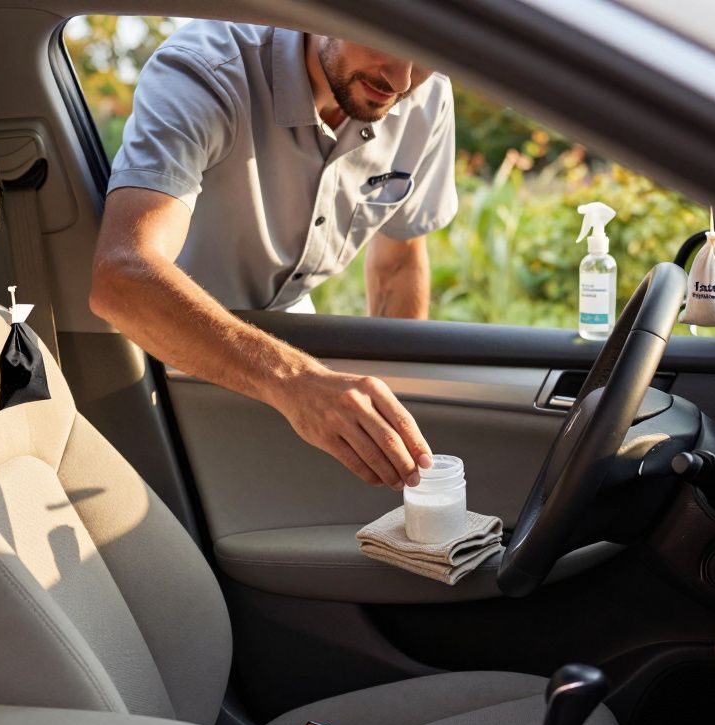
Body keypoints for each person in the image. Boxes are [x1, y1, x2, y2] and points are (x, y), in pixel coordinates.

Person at [89, 21, 458, 491]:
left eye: (426, 56)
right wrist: (296, 383)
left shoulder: (427, 99)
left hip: (292, 348)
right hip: (163, 351)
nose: (402, 81)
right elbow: (123, 276)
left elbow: (398, 265)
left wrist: (390, 423)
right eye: (386, 39)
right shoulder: (207, 73)